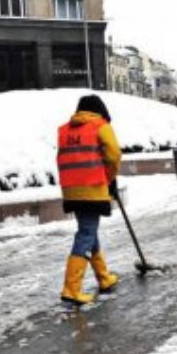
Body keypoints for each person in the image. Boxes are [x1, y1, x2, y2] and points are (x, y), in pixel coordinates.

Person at [57, 94, 122, 306]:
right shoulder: (100, 126)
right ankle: (71, 289)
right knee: (86, 233)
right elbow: (114, 155)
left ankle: (104, 278)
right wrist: (109, 178)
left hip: (72, 190)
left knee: (89, 231)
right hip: (92, 188)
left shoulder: (65, 130)